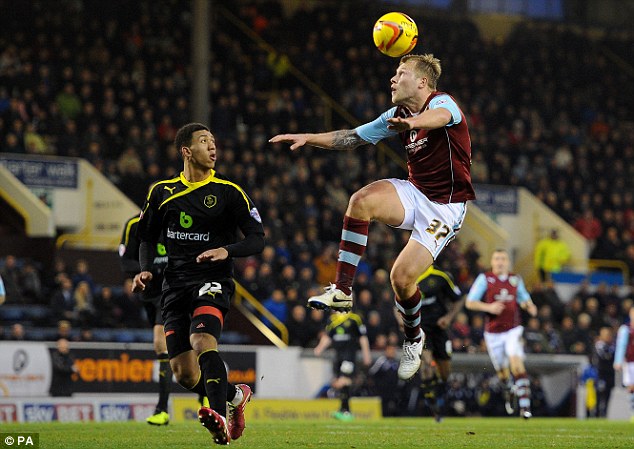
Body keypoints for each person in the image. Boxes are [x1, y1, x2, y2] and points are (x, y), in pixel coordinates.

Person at [270, 53, 474, 380]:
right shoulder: (396, 114)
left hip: (446, 205)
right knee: (361, 200)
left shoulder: (442, 101)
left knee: (401, 279)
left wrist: (412, 124)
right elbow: (352, 137)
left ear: (421, 81)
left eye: (400, 72)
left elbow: (439, 117)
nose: (392, 79)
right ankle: (342, 290)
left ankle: (413, 337)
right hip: (415, 191)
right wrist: (309, 138)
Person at [133, 123, 264, 445]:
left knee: (203, 339)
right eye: (204, 141)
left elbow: (257, 239)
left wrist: (226, 250)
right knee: (184, 373)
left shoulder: (230, 192)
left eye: (214, 140)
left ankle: (217, 414)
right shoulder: (161, 193)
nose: (212, 146)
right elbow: (146, 238)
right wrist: (146, 270)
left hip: (213, 280)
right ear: (186, 151)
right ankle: (235, 396)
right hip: (174, 286)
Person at [465, 249, 538, 419]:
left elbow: (523, 298)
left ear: (508, 262)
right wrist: (488, 307)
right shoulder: (485, 279)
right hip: (493, 333)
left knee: (516, 362)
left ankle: (525, 408)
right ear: (492, 262)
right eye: (497, 258)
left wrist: (530, 306)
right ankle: (509, 388)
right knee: (503, 373)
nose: (500, 262)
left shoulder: (515, 280)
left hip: (513, 329)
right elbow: (470, 302)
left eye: (503, 259)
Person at [120, 214, 172, 425]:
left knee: (161, 345)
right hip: (149, 293)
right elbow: (125, 261)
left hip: (172, 291)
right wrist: (146, 269)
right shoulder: (134, 224)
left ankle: (162, 409)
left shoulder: (178, 220)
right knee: (176, 351)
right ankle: (202, 392)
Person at [415, 264, 464, 421]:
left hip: (440, 329)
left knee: (444, 374)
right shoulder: (409, 278)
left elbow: (459, 299)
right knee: (426, 363)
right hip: (422, 329)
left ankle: (435, 389)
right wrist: (401, 321)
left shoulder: (440, 277)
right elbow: (397, 306)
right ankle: (432, 403)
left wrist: (448, 318)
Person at [314, 311, 372, 421]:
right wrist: (319, 348)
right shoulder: (332, 319)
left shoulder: (355, 319)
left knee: (343, 380)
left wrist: (366, 354)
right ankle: (345, 410)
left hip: (349, 356)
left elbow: (362, 337)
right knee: (339, 382)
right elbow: (328, 336)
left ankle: (345, 411)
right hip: (338, 357)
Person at [614, 305, 634, 422]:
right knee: (631, 388)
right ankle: (633, 411)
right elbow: (620, 346)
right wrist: (618, 361)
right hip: (630, 362)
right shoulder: (625, 329)